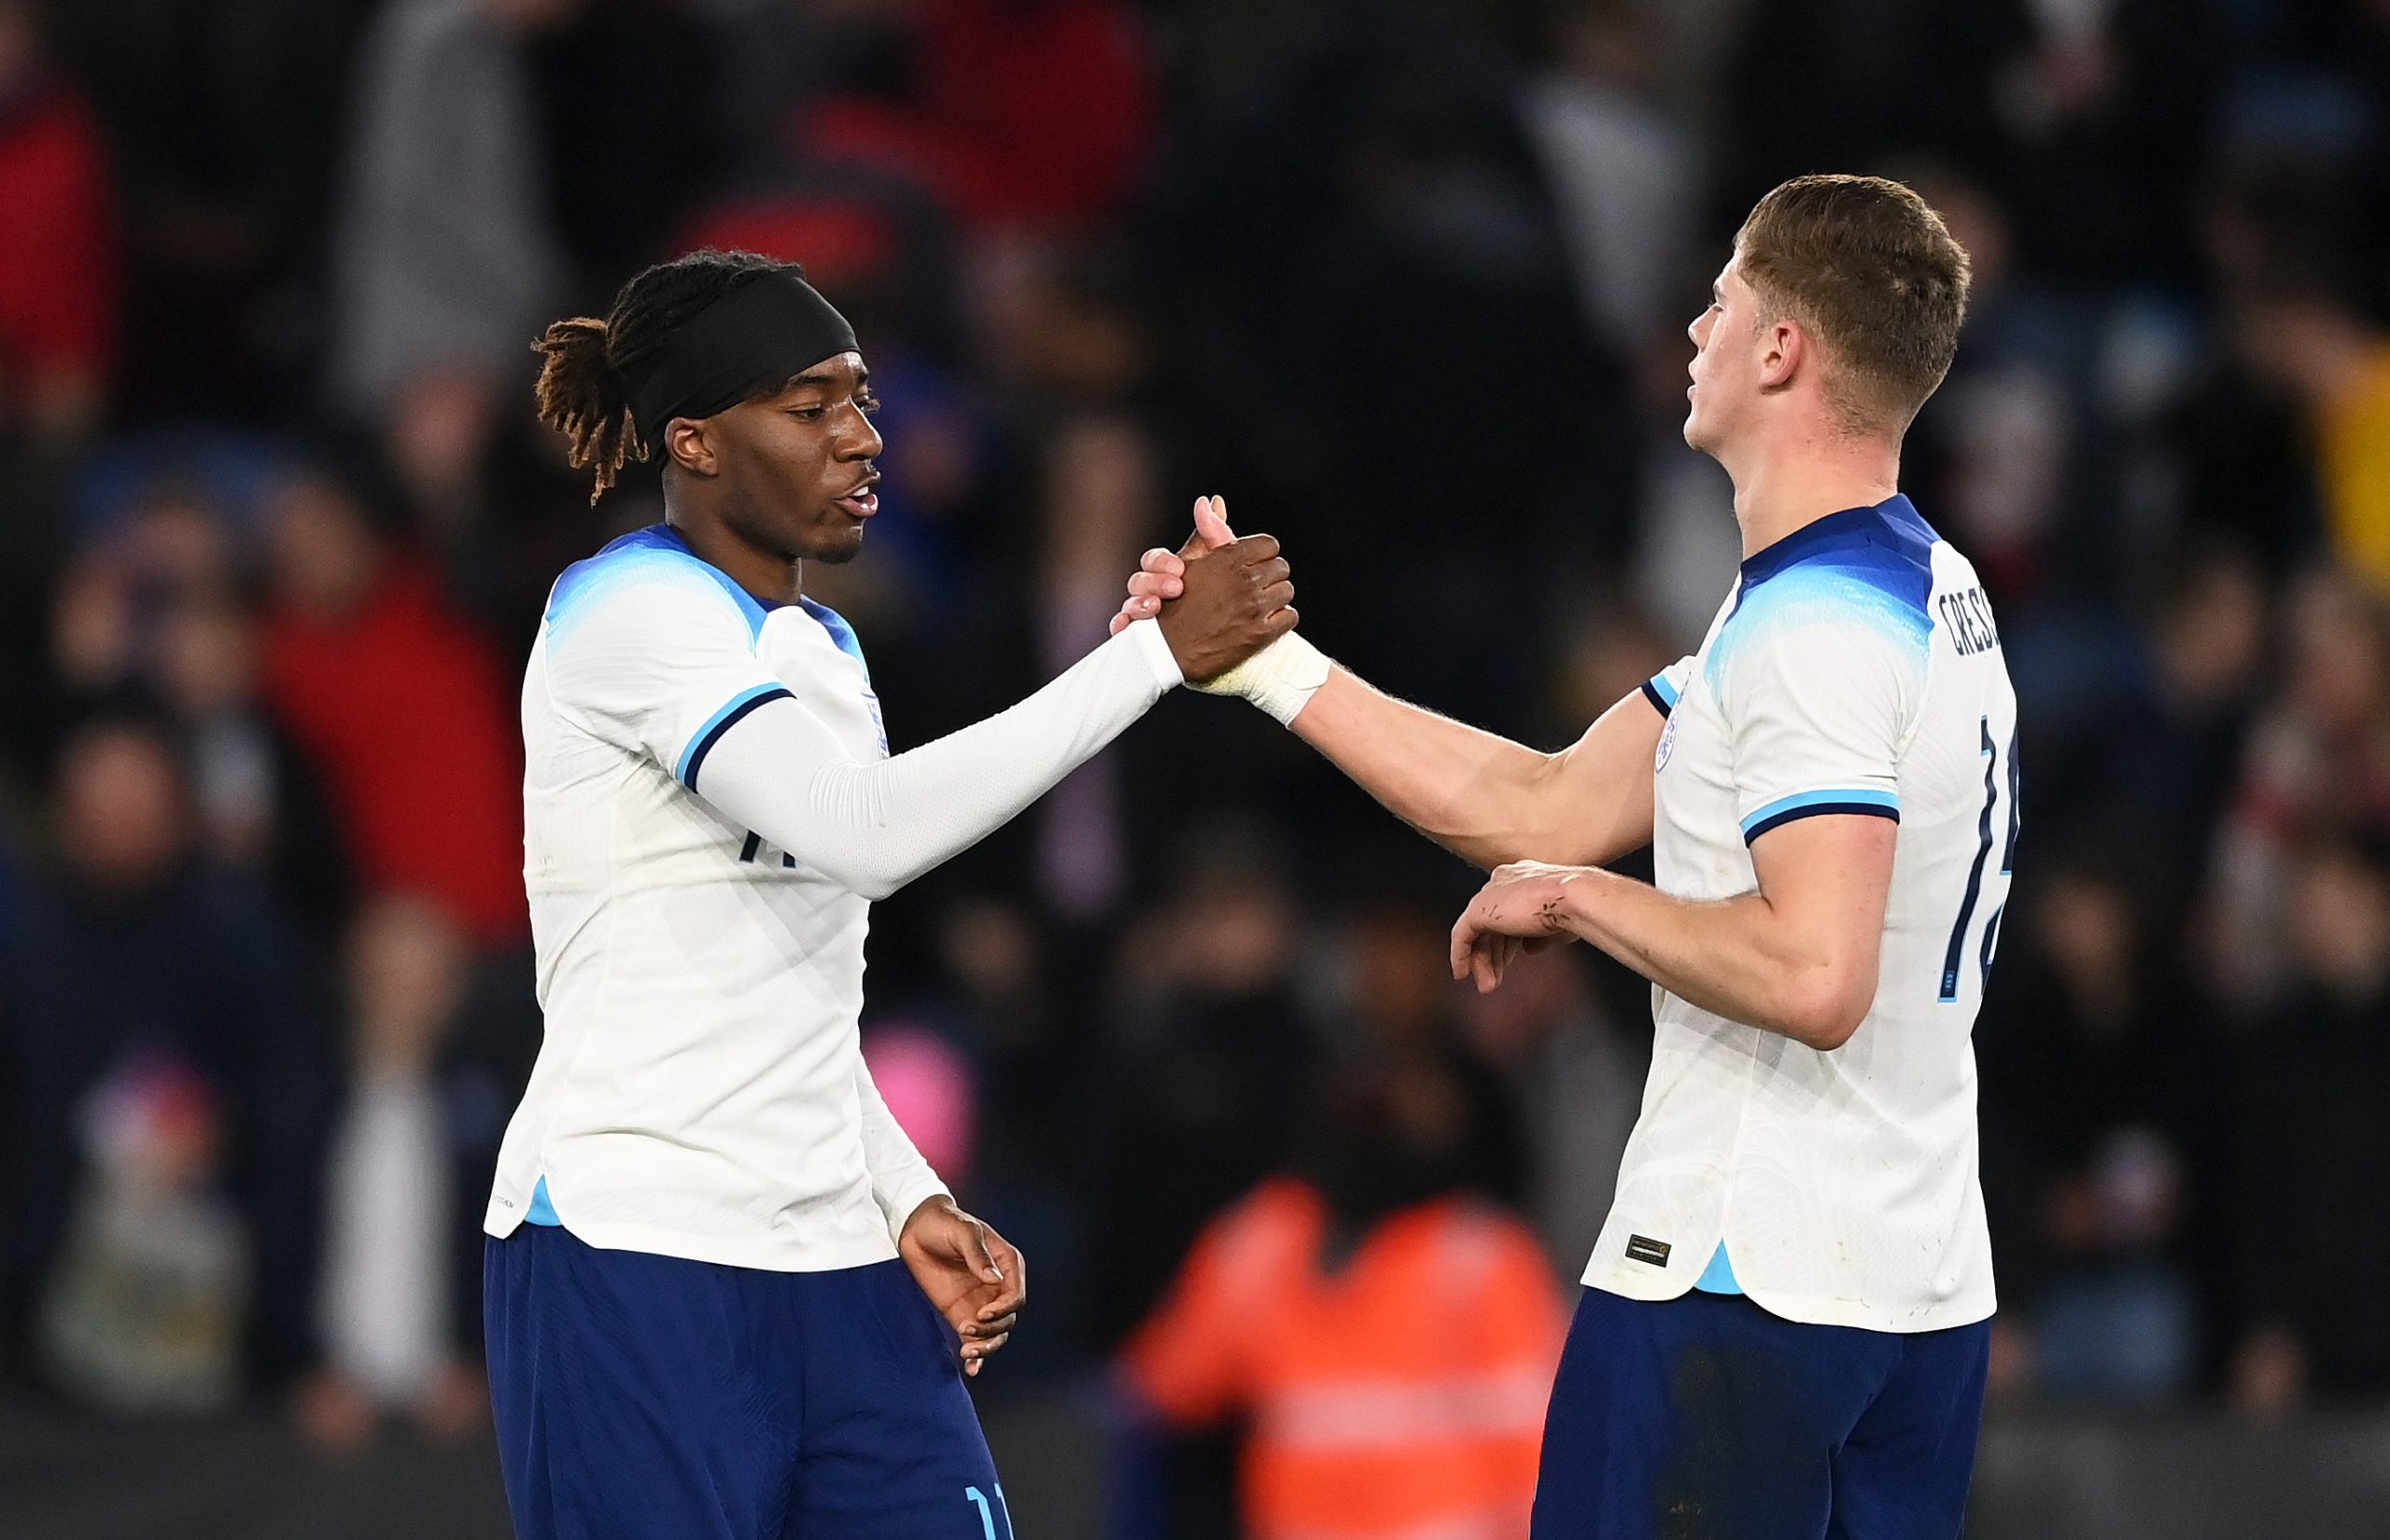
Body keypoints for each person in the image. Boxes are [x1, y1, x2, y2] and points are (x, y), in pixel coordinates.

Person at [1122, 175, 2011, 1538]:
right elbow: (1536, 802)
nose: (1697, 327)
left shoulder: (1807, 640)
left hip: (1744, 1282)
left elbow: (1815, 969)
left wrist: (1586, 900)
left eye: (1723, 299)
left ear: (1783, 351)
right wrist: (1265, 668)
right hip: (1909, 1282)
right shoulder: (1911, 593)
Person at [484, 247, 1296, 1540]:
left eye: (862, 400)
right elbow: (860, 832)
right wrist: (1146, 658)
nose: (863, 438)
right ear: (693, 442)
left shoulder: (825, 650)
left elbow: (791, 980)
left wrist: (899, 1186)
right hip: (636, 1247)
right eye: (811, 408)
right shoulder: (625, 612)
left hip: (833, 1259)